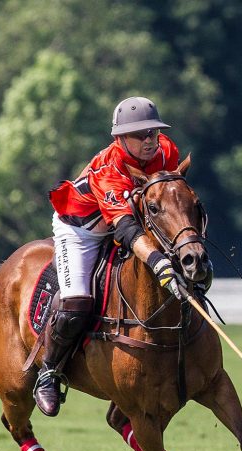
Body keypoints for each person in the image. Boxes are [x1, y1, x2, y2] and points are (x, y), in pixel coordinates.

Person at [34, 96, 186, 417]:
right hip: (82, 230)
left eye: (153, 133)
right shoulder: (109, 169)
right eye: (140, 135)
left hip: (125, 223)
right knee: (78, 302)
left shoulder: (166, 151)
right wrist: (159, 262)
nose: (149, 140)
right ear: (120, 139)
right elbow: (127, 230)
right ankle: (49, 371)